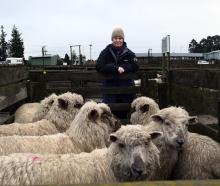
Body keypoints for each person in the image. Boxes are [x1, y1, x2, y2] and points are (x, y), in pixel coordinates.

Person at [96, 27, 139, 120]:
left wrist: (125, 68)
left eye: (120, 38)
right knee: (109, 113)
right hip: (110, 89)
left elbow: (135, 65)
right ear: (112, 39)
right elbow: (99, 66)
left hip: (126, 90)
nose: (118, 40)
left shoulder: (129, 53)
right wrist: (114, 68)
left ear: (123, 39)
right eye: (115, 38)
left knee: (126, 112)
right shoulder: (105, 52)